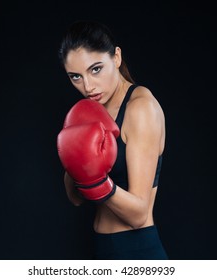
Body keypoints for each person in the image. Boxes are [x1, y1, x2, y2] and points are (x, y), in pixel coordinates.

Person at [57, 20, 168, 260]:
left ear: (116, 57)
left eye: (95, 69)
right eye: (75, 77)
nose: (87, 86)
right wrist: (74, 157)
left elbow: (138, 215)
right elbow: (75, 198)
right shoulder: (88, 112)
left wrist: (97, 182)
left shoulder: (141, 108)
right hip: (102, 250)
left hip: (137, 251)